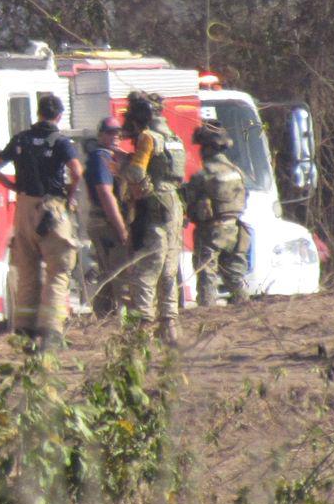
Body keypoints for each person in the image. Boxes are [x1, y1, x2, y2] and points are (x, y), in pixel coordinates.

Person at [0, 92, 82, 352]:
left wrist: (14, 187)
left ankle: (24, 332)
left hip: (24, 209)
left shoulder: (21, 139)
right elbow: (77, 171)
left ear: (39, 113)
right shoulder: (61, 141)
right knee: (58, 271)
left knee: (28, 273)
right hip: (52, 209)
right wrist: (70, 195)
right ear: (59, 116)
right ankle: (51, 333)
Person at [115, 90, 186, 344]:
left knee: (146, 270)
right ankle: (170, 329)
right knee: (169, 270)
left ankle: (142, 331)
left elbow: (136, 172)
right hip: (174, 207)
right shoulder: (174, 138)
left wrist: (121, 163)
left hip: (153, 209)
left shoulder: (148, 138)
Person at [182, 123, 254, 306]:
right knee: (235, 275)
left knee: (207, 274)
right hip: (236, 230)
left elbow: (188, 200)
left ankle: (207, 316)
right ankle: (246, 309)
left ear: (206, 148)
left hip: (211, 232)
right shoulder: (236, 171)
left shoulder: (203, 174)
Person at [83, 116, 133, 316]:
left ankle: (105, 319)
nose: (115, 136)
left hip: (104, 222)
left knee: (107, 275)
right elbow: (105, 194)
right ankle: (125, 324)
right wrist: (121, 229)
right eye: (110, 132)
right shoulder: (100, 157)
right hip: (107, 223)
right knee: (122, 275)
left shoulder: (109, 156)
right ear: (101, 135)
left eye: (118, 132)